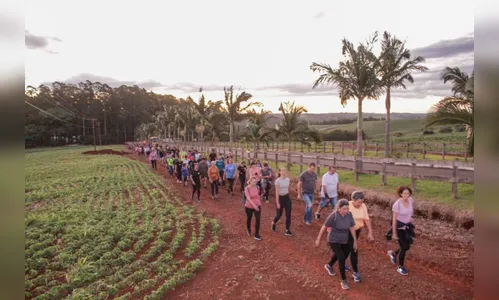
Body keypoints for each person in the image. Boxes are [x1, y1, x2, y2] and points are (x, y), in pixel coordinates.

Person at [327, 191, 374, 283]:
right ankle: (356, 272)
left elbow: (366, 219)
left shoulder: (363, 206)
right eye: (359, 202)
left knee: (346, 252)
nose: (361, 204)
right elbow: (335, 216)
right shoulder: (347, 206)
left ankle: (330, 265)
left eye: (362, 202)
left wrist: (370, 232)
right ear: (353, 200)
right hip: (345, 232)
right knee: (353, 251)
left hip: (356, 232)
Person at [315, 199, 358, 290]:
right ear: (338, 208)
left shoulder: (349, 215)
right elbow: (324, 226)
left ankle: (329, 265)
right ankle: (343, 280)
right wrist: (318, 239)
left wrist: (355, 241)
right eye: (344, 209)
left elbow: (351, 227)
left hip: (344, 239)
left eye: (347, 208)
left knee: (343, 255)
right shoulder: (333, 216)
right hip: (333, 240)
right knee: (341, 258)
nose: (346, 211)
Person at [388, 186, 415, 276]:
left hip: (407, 226)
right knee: (404, 247)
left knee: (407, 246)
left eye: (408, 193)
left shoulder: (410, 200)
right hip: (399, 227)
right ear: (400, 194)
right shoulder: (397, 204)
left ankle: (393, 254)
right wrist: (394, 232)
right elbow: (394, 219)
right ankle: (400, 267)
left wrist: (411, 217)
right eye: (404, 193)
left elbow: (411, 210)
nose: (406, 195)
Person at [271, 167, 292, 237]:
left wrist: (289, 196)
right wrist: (277, 203)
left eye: (284, 170)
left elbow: (288, 188)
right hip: (280, 198)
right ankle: (274, 222)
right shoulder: (277, 181)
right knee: (279, 215)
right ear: (279, 172)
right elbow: (276, 192)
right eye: (282, 170)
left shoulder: (288, 179)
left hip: (287, 198)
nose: (283, 171)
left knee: (288, 214)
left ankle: (287, 229)